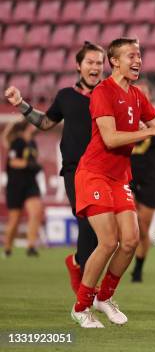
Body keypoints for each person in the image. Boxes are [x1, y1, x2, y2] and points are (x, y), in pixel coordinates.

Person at [70, 37, 155, 328]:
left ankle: (104, 298)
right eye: (132, 55)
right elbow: (111, 138)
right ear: (114, 61)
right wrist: (151, 132)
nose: (138, 61)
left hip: (119, 176)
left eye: (140, 55)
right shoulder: (103, 92)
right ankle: (81, 307)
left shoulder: (137, 95)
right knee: (108, 242)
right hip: (93, 173)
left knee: (130, 241)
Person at [4, 42, 105, 290]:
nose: (95, 67)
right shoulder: (65, 96)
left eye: (99, 63)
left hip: (104, 170)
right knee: (86, 221)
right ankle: (85, 286)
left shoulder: (109, 94)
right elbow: (47, 122)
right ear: (78, 66)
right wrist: (21, 104)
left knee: (105, 234)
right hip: (74, 170)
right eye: (90, 62)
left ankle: (78, 264)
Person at [129, 82, 155, 283]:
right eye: (138, 93)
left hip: (151, 180)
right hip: (127, 177)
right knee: (131, 224)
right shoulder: (123, 118)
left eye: (145, 93)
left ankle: (138, 268)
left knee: (143, 228)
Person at [1, 120, 44, 257]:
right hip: (15, 185)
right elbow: (13, 162)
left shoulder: (33, 143)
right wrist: (28, 164)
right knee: (15, 219)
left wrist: (34, 166)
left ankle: (31, 246)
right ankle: (7, 248)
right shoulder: (18, 142)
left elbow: (32, 162)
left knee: (36, 212)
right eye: (32, 124)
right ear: (27, 128)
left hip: (30, 183)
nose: (34, 126)